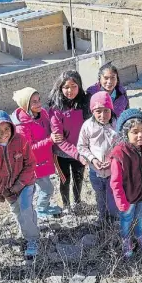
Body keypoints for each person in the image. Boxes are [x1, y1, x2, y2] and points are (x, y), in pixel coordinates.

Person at [0, 110, 39, 259]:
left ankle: (32, 239)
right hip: (6, 188)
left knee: (25, 208)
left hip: (25, 183)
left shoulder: (20, 141)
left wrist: (19, 184)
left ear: (12, 128)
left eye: (7, 129)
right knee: (17, 211)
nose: (4, 133)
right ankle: (27, 229)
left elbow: (30, 163)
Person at [110, 109, 142, 257]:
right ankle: (125, 238)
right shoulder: (119, 153)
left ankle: (139, 234)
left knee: (140, 216)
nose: (140, 135)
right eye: (135, 132)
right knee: (126, 218)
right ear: (125, 133)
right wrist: (120, 201)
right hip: (128, 196)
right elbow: (115, 182)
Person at [11, 87, 63, 219]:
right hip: (34, 163)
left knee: (43, 187)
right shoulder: (21, 126)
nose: (39, 104)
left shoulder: (42, 113)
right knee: (47, 189)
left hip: (44, 159)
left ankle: (43, 206)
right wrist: (49, 140)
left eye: (39, 100)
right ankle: (41, 210)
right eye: (34, 102)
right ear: (25, 105)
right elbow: (28, 149)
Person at [48, 70, 90, 212]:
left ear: (79, 86)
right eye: (66, 87)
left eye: (73, 86)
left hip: (81, 152)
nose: (70, 90)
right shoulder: (56, 108)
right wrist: (78, 154)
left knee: (78, 179)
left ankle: (77, 202)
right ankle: (66, 206)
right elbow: (59, 140)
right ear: (60, 88)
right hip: (61, 154)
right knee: (65, 180)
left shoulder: (84, 104)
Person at [77, 92, 120, 225]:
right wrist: (93, 159)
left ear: (111, 109)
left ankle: (113, 218)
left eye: (106, 111)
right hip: (95, 171)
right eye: (98, 111)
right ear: (92, 111)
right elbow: (81, 146)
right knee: (100, 195)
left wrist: (112, 161)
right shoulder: (87, 126)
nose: (103, 115)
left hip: (112, 171)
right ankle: (102, 218)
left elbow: (121, 147)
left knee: (112, 195)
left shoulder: (116, 125)